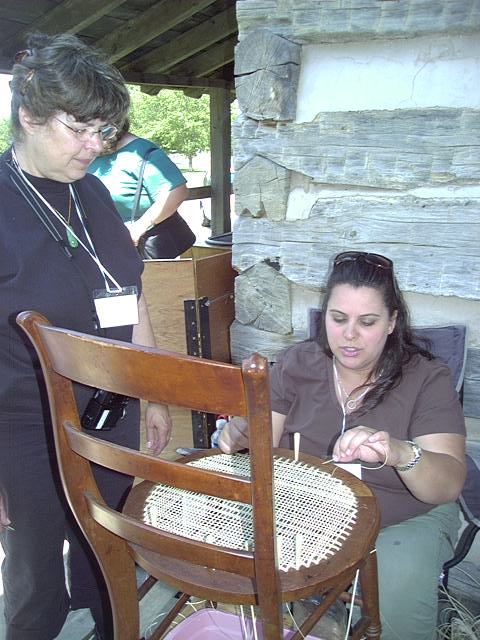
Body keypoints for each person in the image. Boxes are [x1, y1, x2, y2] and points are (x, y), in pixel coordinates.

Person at [0, 33, 172, 640]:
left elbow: (131, 300)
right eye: (80, 129)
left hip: (110, 414)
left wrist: (149, 392)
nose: (95, 147)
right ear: (28, 114)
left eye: (104, 131)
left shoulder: (93, 192)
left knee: (108, 560)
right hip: (26, 428)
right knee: (35, 584)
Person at [219, 250, 467, 640]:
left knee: (395, 599)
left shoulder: (426, 378)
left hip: (401, 517)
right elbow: (261, 445)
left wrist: (397, 452)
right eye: (338, 319)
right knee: (236, 570)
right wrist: (240, 435)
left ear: (392, 322)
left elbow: (448, 484)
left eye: (367, 322)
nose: (349, 335)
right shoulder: (298, 363)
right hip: (307, 508)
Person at [89, 120, 192, 259]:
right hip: (107, 246)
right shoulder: (91, 153)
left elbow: (177, 191)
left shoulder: (143, 152)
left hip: (142, 247)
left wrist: (139, 228)